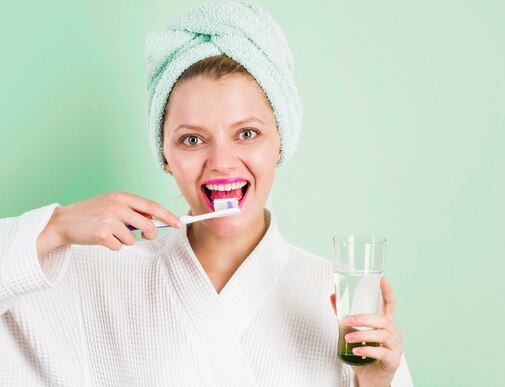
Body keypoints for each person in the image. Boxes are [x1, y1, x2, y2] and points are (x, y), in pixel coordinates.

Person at [0, 1, 413, 386]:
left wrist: (375, 385)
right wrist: (54, 227)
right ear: (164, 154)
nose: (222, 163)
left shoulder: (340, 300)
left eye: (247, 134)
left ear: (281, 142)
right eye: (193, 140)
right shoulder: (93, 274)